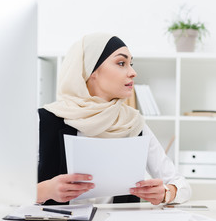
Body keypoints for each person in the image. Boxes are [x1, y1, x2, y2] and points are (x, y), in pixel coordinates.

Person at [37, 33, 191, 205]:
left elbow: (181, 184)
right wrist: (45, 190)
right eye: (121, 63)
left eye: (130, 64)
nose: (133, 72)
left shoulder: (133, 123)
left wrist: (166, 193)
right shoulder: (43, 121)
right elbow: (8, 191)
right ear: (90, 70)